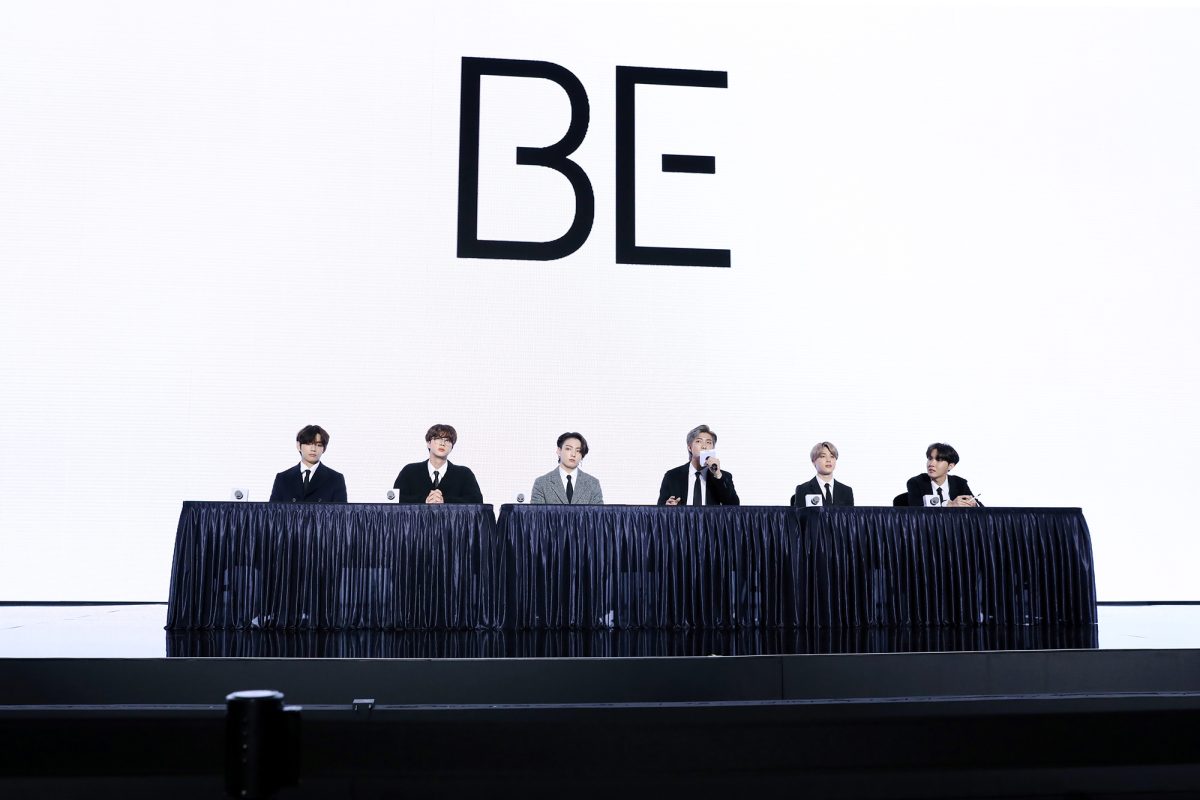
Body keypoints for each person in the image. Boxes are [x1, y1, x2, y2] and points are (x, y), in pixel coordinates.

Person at [393, 424, 484, 504]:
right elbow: (394, 499)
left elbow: (477, 500)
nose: (442, 443)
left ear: (452, 447)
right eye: (437, 438)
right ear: (428, 443)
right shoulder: (410, 471)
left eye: (447, 440)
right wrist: (425, 500)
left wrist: (445, 501)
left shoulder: (464, 473)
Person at [657, 424, 740, 506]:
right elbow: (659, 509)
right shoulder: (672, 476)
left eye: (708, 442)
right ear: (690, 447)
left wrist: (717, 475)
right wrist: (667, 507)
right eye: (699, 441)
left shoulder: (723, 476)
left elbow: (734, 506)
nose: (704, 446)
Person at [269, 424, 348, 503]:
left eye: (319, 445)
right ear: (299, 446)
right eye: (309, 443)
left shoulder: (335, 479)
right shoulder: (283, 478)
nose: (313, 449)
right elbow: (273, 509)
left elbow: (340, 510)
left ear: (324, 449)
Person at [531, 432, 604, 505]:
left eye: (578, 451)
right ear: (559, 451)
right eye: (568, 449)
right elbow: (536, 512)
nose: (573, 454)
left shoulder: (593, 483)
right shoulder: (542, 483)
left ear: (582, 455)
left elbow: (598, 512)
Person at [905, 443, 981, 507]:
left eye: (939, 460)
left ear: (950, 466)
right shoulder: (916, 482)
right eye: (930, 458)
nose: (931, 464)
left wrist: (974, 504)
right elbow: (917, 512)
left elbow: (981, 508)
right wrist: (948, 505)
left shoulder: (960, 483)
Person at [793, 441, 854, 507]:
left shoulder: (847, 491)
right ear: (813, 461)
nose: (828, 460)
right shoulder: (802, 490)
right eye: (823, 456)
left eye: (832, 456)